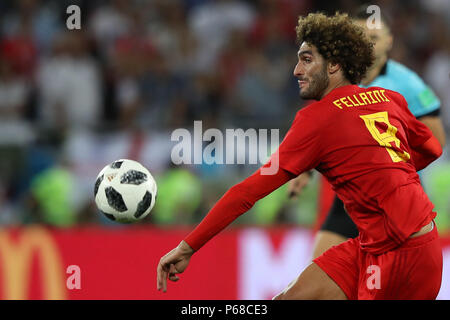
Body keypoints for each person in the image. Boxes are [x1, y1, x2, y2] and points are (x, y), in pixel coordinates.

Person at [157, 12, 443, 300]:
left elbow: (248, 192)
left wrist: (188, 246)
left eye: (306, 59)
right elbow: (432, 147)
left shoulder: (316, 120)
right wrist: (390, 172)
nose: (296, 70)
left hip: (405, 257)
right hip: (382, 245)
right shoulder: (388, 98)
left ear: (333, 65)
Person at [288, 6, 446, 260]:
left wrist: (390, 166)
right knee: (319, 271)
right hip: (351, 197)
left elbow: (436, 140)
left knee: (390, 282)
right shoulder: (339, 77)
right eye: (361, 38)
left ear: (389, 41)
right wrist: (305, 170)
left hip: (395, 197)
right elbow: (324, 132)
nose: (367, 45)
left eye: (374, 38)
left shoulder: (408, 84)